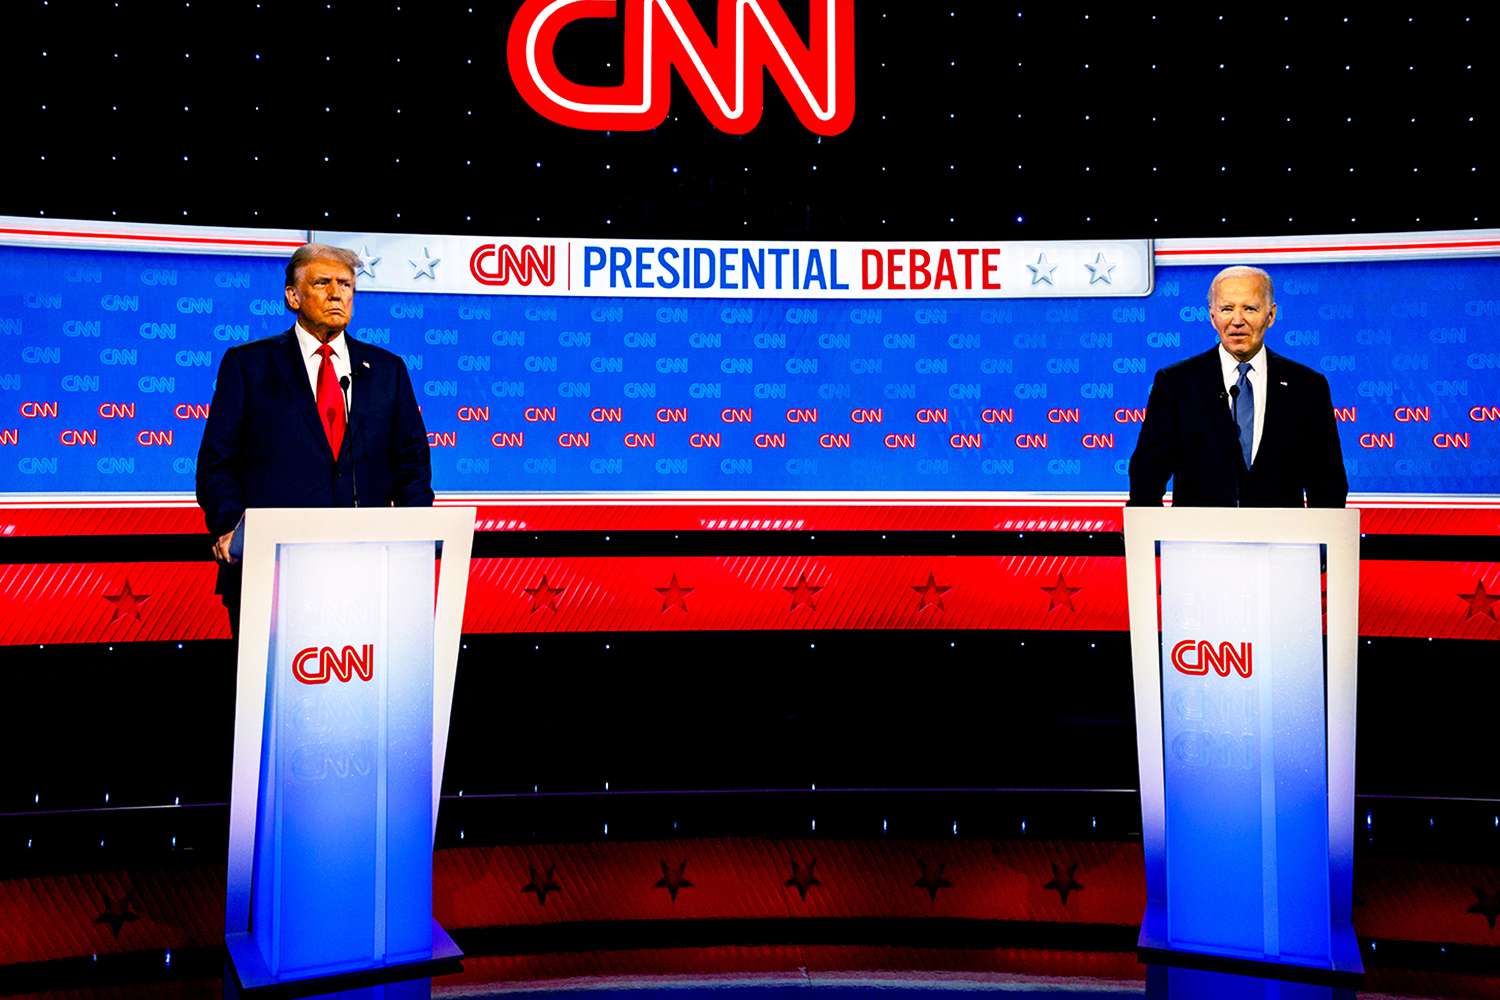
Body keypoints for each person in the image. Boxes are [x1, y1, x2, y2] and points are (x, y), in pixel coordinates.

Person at [196, 244, 433, 629]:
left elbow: (413, 464)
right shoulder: (248, 365)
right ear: (293, 295)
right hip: (272, 568)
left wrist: (414, 539)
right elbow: (217, 462)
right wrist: (230, 528)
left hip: (368, 569)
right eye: (322, 282)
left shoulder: (387, 370)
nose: (337, 293)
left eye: (346, 284)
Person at [1127, 265, 1347, 508]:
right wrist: (1151, 537)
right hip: (1197, 541)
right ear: (1213, 316)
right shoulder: (1176, 383)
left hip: (1284, 541)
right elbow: (1146, 476)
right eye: (1227, 309)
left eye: (1250, 308)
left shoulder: (1307, 386)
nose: (1237, 321)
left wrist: (1324, 540)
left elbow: (1328, 482)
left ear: (1271, 315)